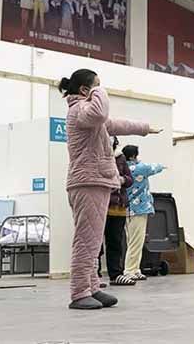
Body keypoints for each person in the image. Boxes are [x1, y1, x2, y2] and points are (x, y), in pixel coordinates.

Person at [58, 69, 159, 310]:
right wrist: (99, 90)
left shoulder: (88, 115)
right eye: (96, 86)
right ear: (85, 90)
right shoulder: (80, 110)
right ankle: (80, 291)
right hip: (88, 182)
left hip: (96, 180)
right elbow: (101, 111)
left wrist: (145, 127)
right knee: (87, 241)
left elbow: (116, 123)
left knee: (92, 242)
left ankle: (92, 287)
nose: (101, 90)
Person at [122, 145, 166, 281]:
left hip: (128, 209)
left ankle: (135, 269)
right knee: (136, 241)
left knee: (132, 241)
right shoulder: (139, 168)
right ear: (133, 156)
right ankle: (129, 270)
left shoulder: (124, 168)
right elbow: (156, 167)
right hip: (139, 209)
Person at [97, 136, 136, 287]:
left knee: (116, 242)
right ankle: (95, 275)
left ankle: (116, 274)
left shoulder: (120, 158)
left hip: (118, 207)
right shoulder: (97, 156)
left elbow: (130, 179)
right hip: (102, 206)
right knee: (96, 243)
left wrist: (122, 180)